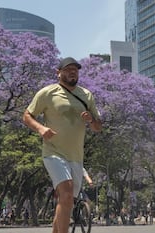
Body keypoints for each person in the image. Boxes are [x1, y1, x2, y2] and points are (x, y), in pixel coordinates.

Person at [23, 57, 102, 233]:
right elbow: (27, 115)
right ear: (58, 73)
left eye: (75, 69)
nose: (72, 72)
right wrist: (41, 128)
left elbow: (98, 127)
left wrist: (91, 120)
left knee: (65, 202)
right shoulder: (47, 93)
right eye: (67, 69)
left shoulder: (86, 95)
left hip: (76, 156)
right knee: (66, 195)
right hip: (53, 152)